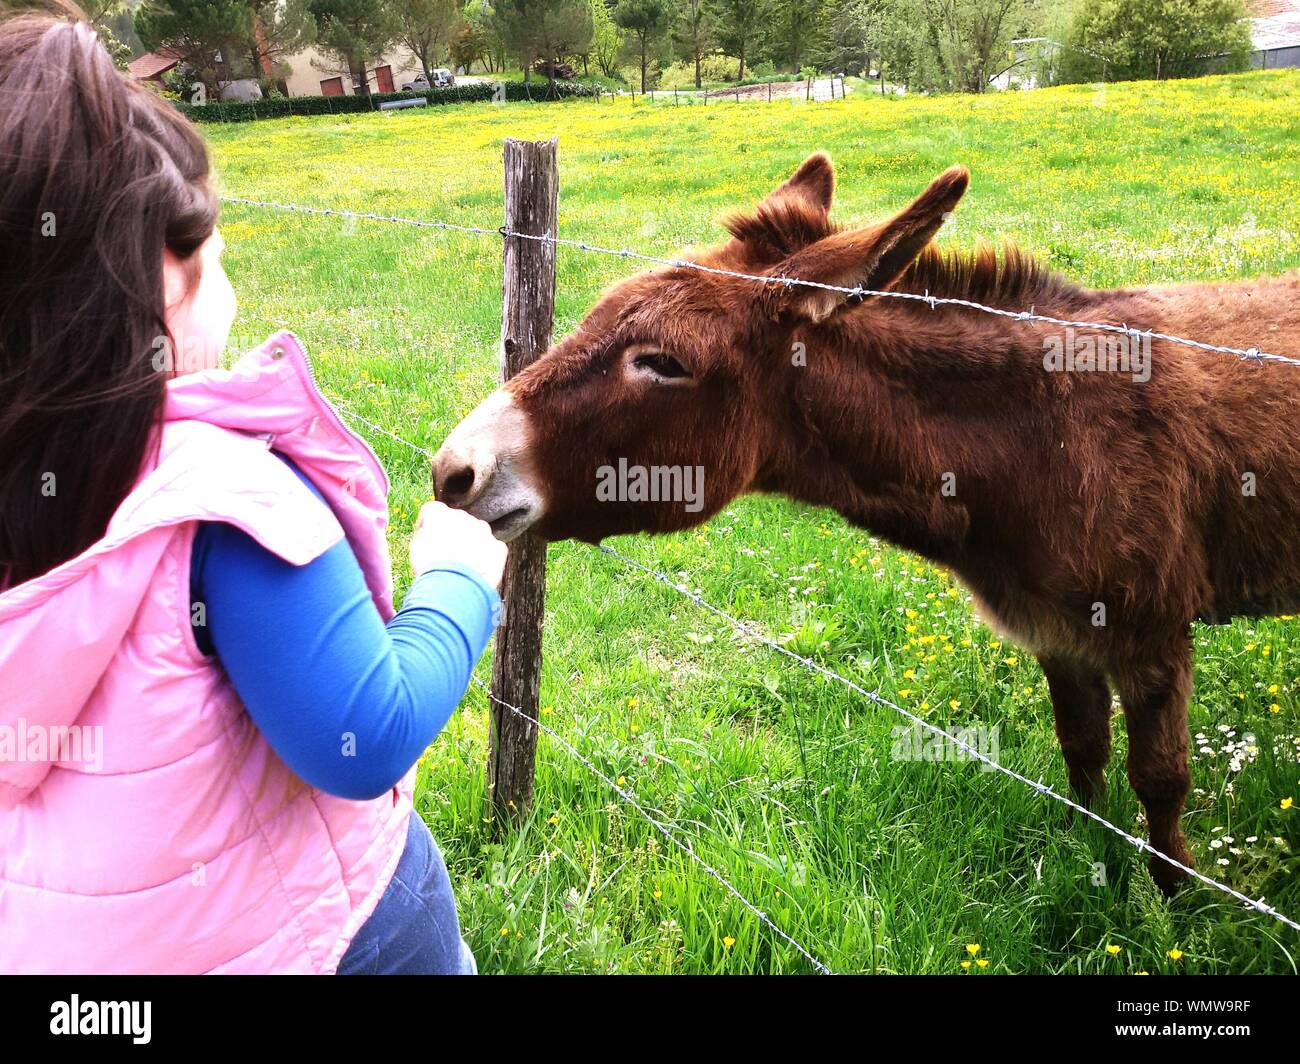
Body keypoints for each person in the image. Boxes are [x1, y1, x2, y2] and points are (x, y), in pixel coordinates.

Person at [0, 6, 508, 974]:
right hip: (325, 941)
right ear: (165, 275)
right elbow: (363, 733)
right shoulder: (224, 505)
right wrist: (458, 579)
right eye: (218, 249)